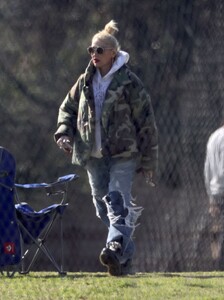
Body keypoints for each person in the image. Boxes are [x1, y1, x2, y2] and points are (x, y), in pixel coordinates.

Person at [54, 20, 158, 276]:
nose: (94, 55)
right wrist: (64, 134)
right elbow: (67, 109)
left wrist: (148, 161)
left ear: (113, 53)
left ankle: (113, 245)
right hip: (93, 155)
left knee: (116, 201)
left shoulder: (129, 82)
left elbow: (146, 121)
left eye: (99, 50)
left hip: (123, 154)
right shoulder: (84, 81)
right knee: (103, 207)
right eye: (91, 50)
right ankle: (123, 255)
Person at [204, 114, 224, 268]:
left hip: (215, 190)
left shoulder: (213, 136)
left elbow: (207, 169)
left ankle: (218, 262)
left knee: (219, 228)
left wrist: (210, 195)